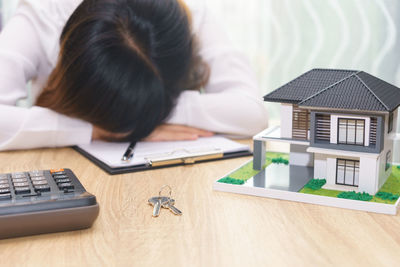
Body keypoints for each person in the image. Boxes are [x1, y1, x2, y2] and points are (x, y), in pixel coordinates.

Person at [0, 0, 267, 151]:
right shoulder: (43, 14)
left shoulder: (188, 18)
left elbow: (252, 112)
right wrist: (95, 129)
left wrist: (144, 113)